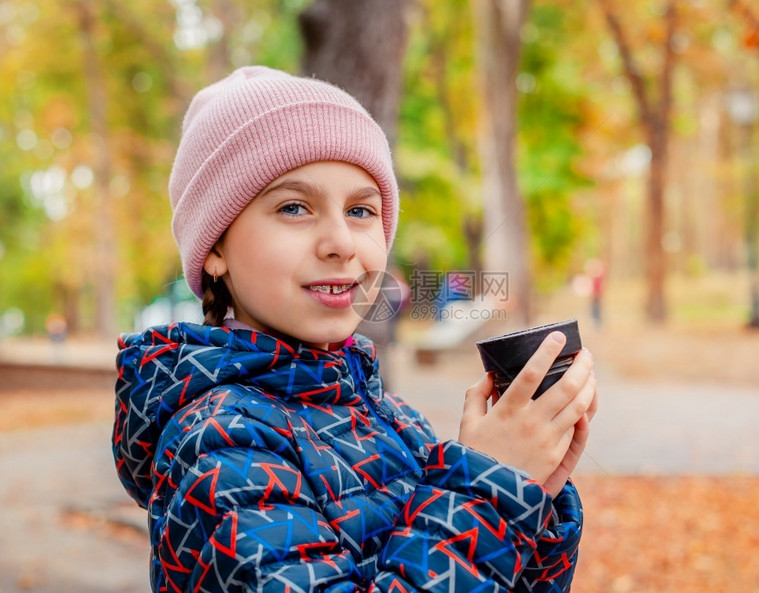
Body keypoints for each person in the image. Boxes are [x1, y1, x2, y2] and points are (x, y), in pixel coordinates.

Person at [112, 66, 598, 593]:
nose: (341, 242)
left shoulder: (389, 416)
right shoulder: (217, 442)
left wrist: (531, 495)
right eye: (294, 207)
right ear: (215, 251)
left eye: (361, 210)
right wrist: (491, 488)